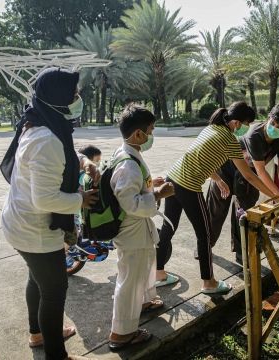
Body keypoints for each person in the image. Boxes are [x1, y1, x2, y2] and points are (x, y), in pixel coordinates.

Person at [0, 67, 101, 360]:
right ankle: (56, 354)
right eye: (74, 94)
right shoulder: (45, 139)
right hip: (35, 229)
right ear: (58, 98)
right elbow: (46, 199)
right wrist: (81, 199)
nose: (78, 98)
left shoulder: (42, 121)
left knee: (38, 280)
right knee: (54, 291)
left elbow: (65, 152)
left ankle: (38, 334)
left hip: (21, 222)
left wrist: (83, 161)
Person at [156, 101, 279, 294]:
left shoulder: (211, 128)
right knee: (204, 234)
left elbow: (202, 157)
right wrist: (275, 195)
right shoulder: (230, 141)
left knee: (168, 228)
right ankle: (209, 282)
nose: (246, 128)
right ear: (237, 123)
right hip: (189, 186)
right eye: (247, 123)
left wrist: (219, 180)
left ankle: (159, 274)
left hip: (172, 179)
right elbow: (249, 175)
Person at [108, 104, 175, 350]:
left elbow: (135, 187)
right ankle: (121, 333)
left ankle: (145, 301)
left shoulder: (129, 151)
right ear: (138, 134)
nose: (151, 136)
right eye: (151, 130)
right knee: (129, 280)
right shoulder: (127, 162)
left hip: (139, 230)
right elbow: (129, 203)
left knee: (145, 268)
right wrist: (158, 194)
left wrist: (150, 183)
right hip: (132, 231)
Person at [206, 103, 279, 263]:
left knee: (246, 214)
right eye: (273, 122)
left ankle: (243, 254)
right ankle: (205, 247)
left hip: (249, 175)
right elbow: (261, 171)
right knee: (216, 211)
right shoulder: (254, 134)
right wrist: (278, 196)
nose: (274, 127)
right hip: (226, 170)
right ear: (269, 117)